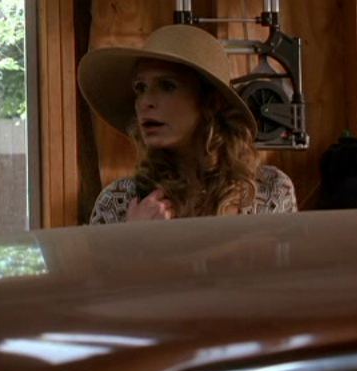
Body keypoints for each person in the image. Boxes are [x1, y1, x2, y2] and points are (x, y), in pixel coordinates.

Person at [77, 24, 297, 223]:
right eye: (140, 88)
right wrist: (134, 239)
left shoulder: (271, 191)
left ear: (211, 101)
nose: (145, 102)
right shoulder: (120, 202)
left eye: (167, 85)